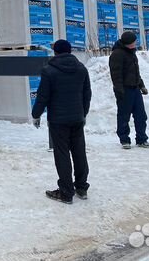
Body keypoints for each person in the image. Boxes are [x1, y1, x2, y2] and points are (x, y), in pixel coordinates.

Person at [32, 39, 92, 204]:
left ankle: (66, 192)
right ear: (70, 51)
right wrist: (83, 113)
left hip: (58, 121)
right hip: (77, 118)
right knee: (79, 152)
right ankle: (81, 187)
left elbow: (43, 96)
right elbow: (87, 93)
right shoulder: (81, 69)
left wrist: (36, 114)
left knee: (62, 154)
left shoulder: (49, 71)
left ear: (56, 52)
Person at [109, 31, 149, 149]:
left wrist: (141, 85)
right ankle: (124, 140)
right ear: (127, 43)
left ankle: (141, 139)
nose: (135, 44)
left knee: (141, 116)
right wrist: (119, 91)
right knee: (124, 116)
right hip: (124, 90)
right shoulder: (117, 54)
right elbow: (116, 75)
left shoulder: (131, 53)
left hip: (135, 89)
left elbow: (135, 72)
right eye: (133, 42)